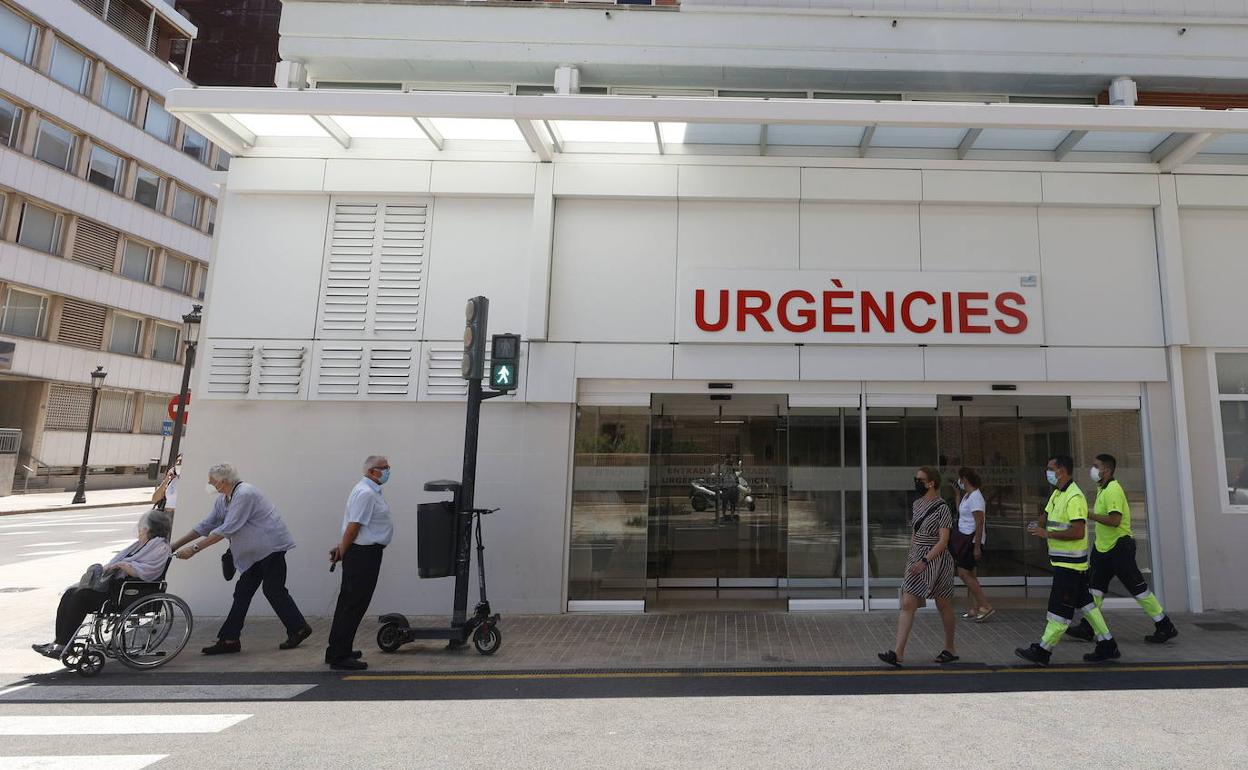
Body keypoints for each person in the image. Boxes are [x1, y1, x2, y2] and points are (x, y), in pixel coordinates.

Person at [171, 462, 312, 655]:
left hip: (271, 547)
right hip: (254, 554)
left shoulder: (244, 494)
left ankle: (299, 628)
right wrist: (175, 545)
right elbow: (207, 524)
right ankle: (230, 639)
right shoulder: (224, 499)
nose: (209, 485)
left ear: (223, 481)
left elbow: (228, 528)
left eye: (212, 482)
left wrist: (194, 549)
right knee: (242, 593)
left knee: (273, 590)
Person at [1015, 454, 1119, 666]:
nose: (1048, 473)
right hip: (1064, 563)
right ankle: (1107, 644)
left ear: (1061, 471)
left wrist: (1047, 535)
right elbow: (1046, 515)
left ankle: (1044, 650)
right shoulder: (1058, 494)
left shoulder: (1074, 497)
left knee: (1059, 609)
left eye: (1050, 469)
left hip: (1071, 564)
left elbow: (1078, 531)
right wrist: (1037, 524)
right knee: (1088, 606)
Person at [1066, 454, 1178, 644]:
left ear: (1106, 470)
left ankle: (1164, 625)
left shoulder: (1113, 490)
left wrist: (1088, 515)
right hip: (1103, 549)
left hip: (1119, 548)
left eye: (1095, 466)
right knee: (1095, 589)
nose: (1092, 470)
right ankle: (1088, 627)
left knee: (1137, 588)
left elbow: (1115, 520)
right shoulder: (1103, 488)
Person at [32, 509, 173, 660]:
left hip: (131, 592)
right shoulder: (141, 546)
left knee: (81, 596)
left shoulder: (160, 547)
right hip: (117, 588)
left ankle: (63, 645)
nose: (139, 532)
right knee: (70, 593)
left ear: (148, 529)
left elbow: (148, 572)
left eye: (142, 529)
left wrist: (122, 565)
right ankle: (60, 643)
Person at [878, 466, 958, 667]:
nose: (916, 483)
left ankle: (950, 647)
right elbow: (915, 533)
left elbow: (943, 540)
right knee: (907, 603)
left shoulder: (942, 508)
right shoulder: (917, 505)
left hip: (936, 558)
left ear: (931, 483)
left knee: (943, 603)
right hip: (917, 556)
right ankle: (898, 652)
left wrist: (925, 561)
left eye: (920, 479)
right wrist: (912, 556)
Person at [325, 455, 394, 671]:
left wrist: (342, 548)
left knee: (349, 602)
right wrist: (343, 550)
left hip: (364, 552)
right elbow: (354, 526)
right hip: (363, 554)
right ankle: (339, 655)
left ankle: (338, 649)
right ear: (373, 471)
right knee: (353, 604)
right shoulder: (365, 493)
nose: (388, 471)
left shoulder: (370, 491)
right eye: (384, 468)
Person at [953, 467, 994, 622]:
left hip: (971, 540)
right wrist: (957, 495)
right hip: (964, 539)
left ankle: (985, 605)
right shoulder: (967, 496)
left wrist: (977, 546)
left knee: (963, 573)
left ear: (965, 479)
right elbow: (961, 511)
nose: (959, 482)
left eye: (960, 479)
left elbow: (979, 522)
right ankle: (973, 608)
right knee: (970, 574)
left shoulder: (976, 497)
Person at [153, 454, 183, 518]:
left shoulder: (189, 482)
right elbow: (155, 499)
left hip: (178, 517)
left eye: (180, 461)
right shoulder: (172, 480)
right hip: (166, 516)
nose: (178, 463)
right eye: (177, 461)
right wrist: (166, 480)